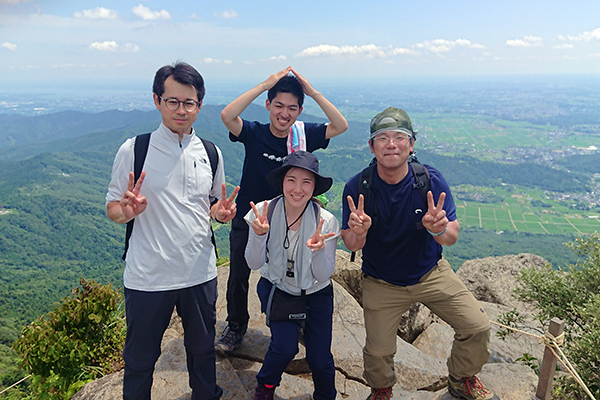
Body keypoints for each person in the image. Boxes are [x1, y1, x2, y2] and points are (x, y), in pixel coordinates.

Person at [341, 107, 497, 400]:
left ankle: (461, 379)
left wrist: (437, 229)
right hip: (381, 280)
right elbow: (351, 244)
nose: (391, 144)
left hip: (430, 273)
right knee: (378, 352)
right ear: (372, 146)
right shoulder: (359, 187)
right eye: (382, 138)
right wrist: (359, 231)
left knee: (477, 326)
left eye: (399, 137)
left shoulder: (429, 181)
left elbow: (451, 236)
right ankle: (381, 389)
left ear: (411, 144)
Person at [106, 61, 239, 400]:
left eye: (189, 102)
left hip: (199, 272)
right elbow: (113, 208)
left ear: (199, 104)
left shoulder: (210, 151)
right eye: (173, 101)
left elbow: (211, 205)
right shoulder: (135, 150)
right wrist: (126, 210)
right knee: (139, 361)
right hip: (148, 277)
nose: (182, 110)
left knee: (202, 352)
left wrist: (221, 214)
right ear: (157, 101)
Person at [217, 66, 348, 354]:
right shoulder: (254, 133)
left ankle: (293, 321)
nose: (284, 113)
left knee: (296, 271)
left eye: (292, 108)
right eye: (278, 105)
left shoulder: (305, 135)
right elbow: (228, 116)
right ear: (267, 105)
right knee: (239, 273)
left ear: (300, 110)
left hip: (293, 221)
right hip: (252, 218)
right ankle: (236, 325)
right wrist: (265, 84)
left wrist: (313, 92)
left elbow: (340, 126)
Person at [244, 151, 340, 400]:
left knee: (320, 359)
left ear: (315, 187)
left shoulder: (326, 221)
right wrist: (258, 234)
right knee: (284, 347)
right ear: (282, 182)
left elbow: (323, 274)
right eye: (291, 180)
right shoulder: (264, 212)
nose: (298, 189)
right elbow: (254, 263)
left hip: (316, 293)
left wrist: (318, 251)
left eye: (306, 182)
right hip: (278, 287)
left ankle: (325, 395)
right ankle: (265, 387)